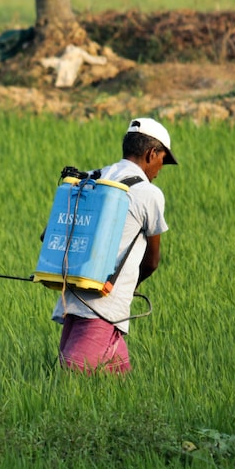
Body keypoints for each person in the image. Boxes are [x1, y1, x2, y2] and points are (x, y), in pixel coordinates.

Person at [51, 117, 177, 374]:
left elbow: (52, 232)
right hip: (105, 306)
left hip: (74, 297)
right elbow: (152, 261)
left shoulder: (93, 177)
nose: (160, 169)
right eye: (163, 160)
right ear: (151, 153)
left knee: (117, 386)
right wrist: (131, 287)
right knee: (74, 377)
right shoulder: (149, 193)